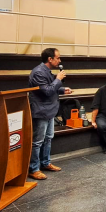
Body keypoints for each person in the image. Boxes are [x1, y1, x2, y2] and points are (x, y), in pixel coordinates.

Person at [28, 48, 73, 180]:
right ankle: (34, 169)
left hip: (49, 110)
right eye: (58, 58)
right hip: (41, 111)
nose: (60, 60)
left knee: (48, 138)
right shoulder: (38, 72)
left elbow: (50, 88)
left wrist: (62, 90)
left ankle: (45, 163)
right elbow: (47, 91)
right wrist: (58, 79)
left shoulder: (46, 71)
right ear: (50, 59)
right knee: (37, 141)